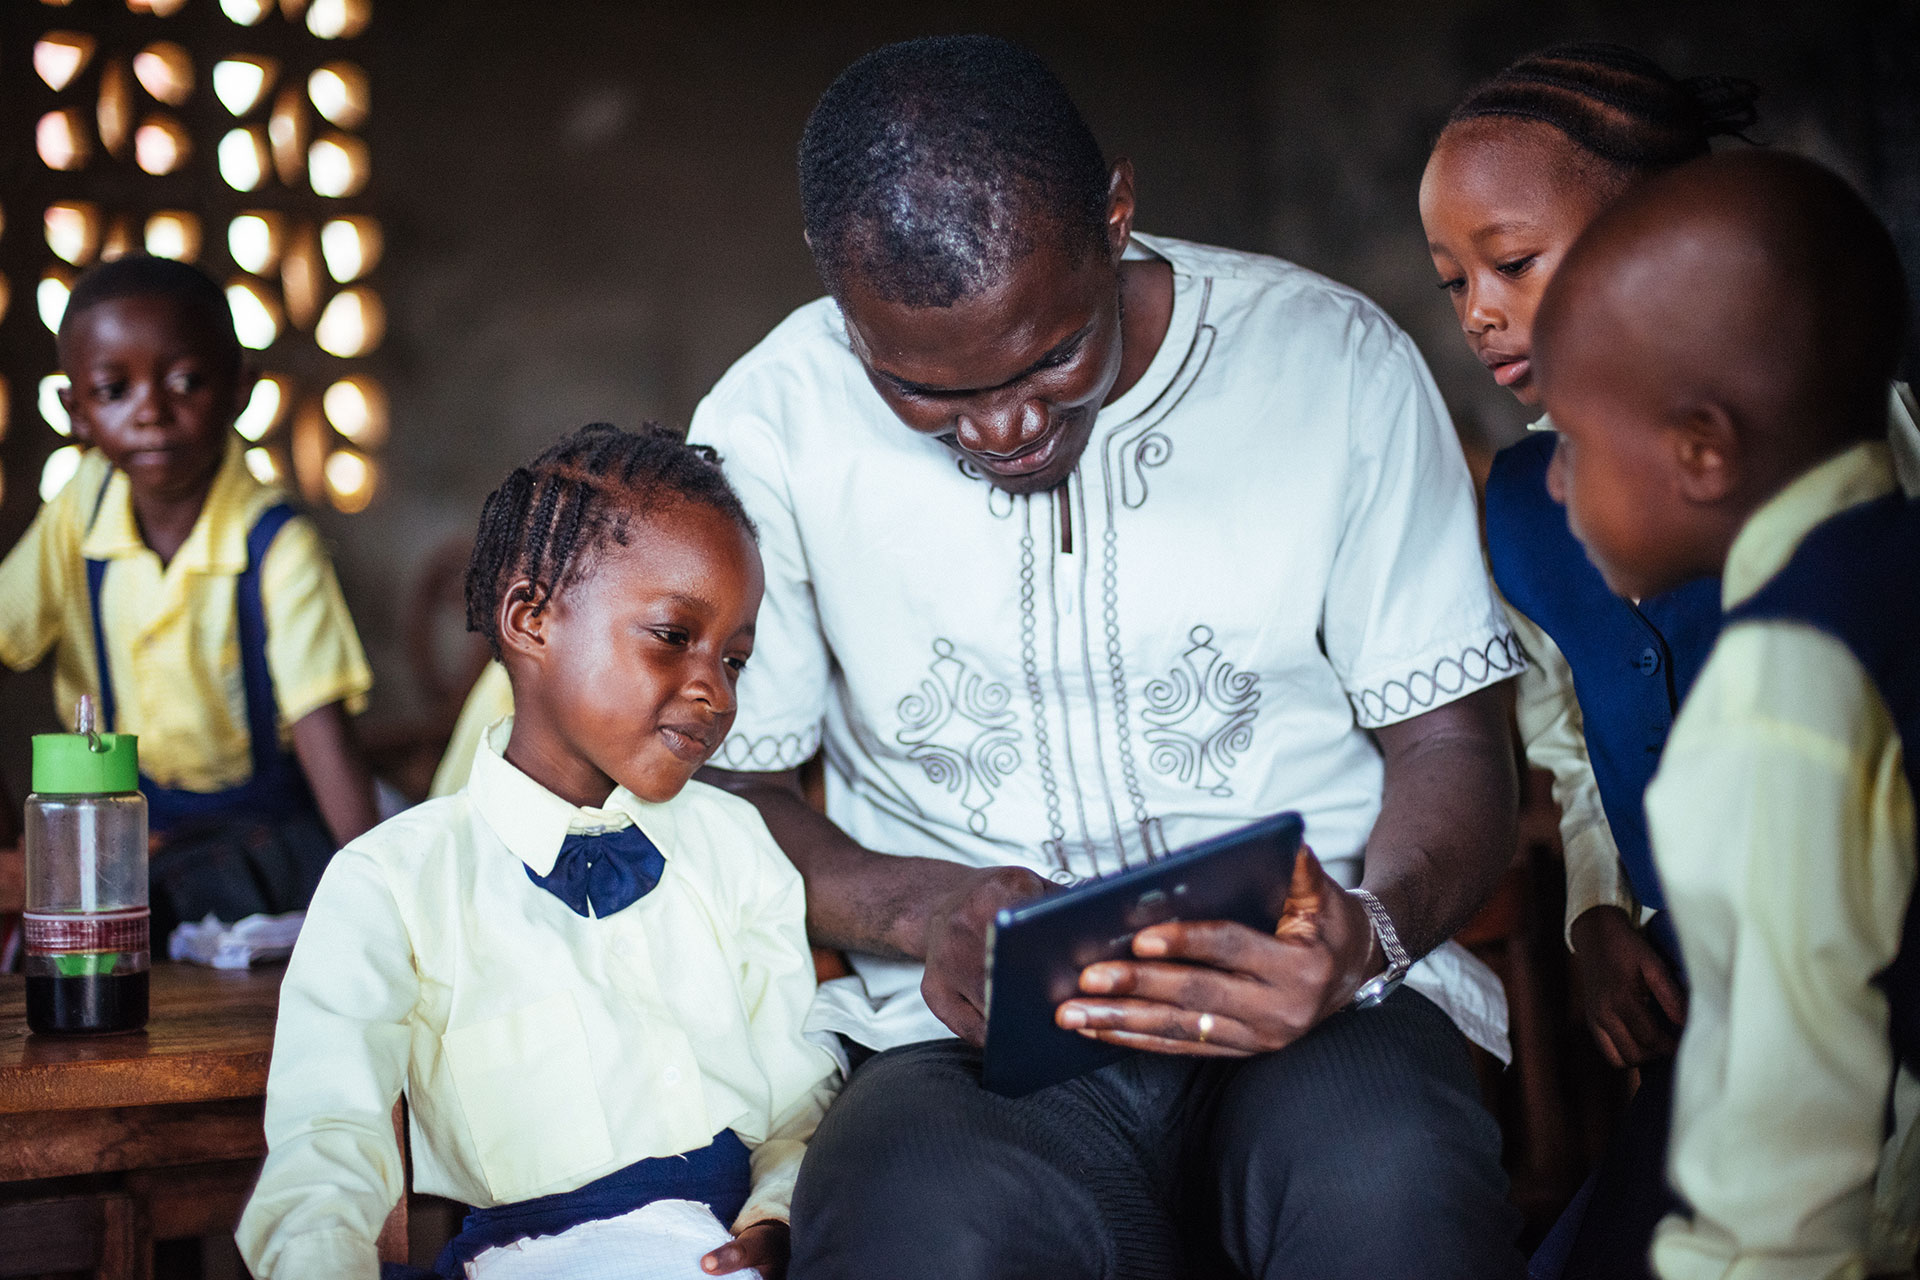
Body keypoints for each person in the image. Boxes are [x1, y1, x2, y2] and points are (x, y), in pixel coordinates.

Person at [682, 35, 1526, 1278]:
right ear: (841, 294)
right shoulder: (773, 425)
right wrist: (928, 909)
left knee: (1386, 1186)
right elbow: (733, 788)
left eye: (1055, 355)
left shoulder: (1332, 364)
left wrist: (1369, 932)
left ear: (1116, 211)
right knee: (923, 1233)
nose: (1008, 427)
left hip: (1323, 998)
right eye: (930, 394)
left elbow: (1452, 735)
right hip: (956, 1042)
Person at [235, 424, 839, 1280]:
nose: (714, 688)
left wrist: (778, 1211)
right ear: (531, 619)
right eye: (673, 636)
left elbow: (797, 1105)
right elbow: (323, 1149)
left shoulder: (737, 847)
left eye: (735, 658)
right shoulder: (394, 884)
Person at [1534, 149, 1920, 1280]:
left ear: (1701, 449)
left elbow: (1784, 1138)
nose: (1554, 486)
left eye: (1575, 444)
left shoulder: (1775, 699)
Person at [0, 256, 378, 936]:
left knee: (166, 909)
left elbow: (326, 735)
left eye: (185, 382)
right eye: (113, 390)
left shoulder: (275, 543)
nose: (150, 412)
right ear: (74, 411)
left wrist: (375, 899)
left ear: (240, 388)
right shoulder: (77, 515)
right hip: (120, 835)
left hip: (259, 838)